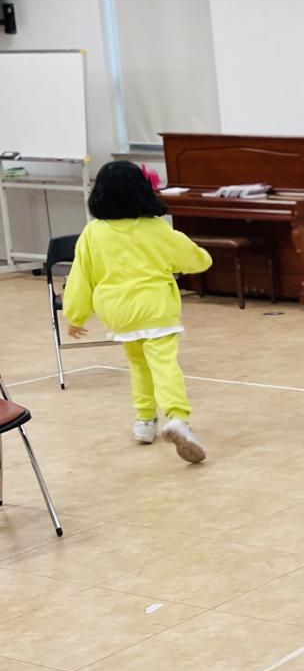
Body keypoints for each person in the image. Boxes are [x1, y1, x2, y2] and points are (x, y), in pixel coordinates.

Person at [63, 161, 214, 463]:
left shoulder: (93, 233)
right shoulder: (156, 228)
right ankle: (177, 417)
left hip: (118, 312)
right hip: (155, 308)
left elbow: (81, 276)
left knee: (138, 364)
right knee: (164, 364)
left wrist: (75, 315)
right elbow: (194, 259)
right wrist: (201, 258)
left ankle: (145, 421)